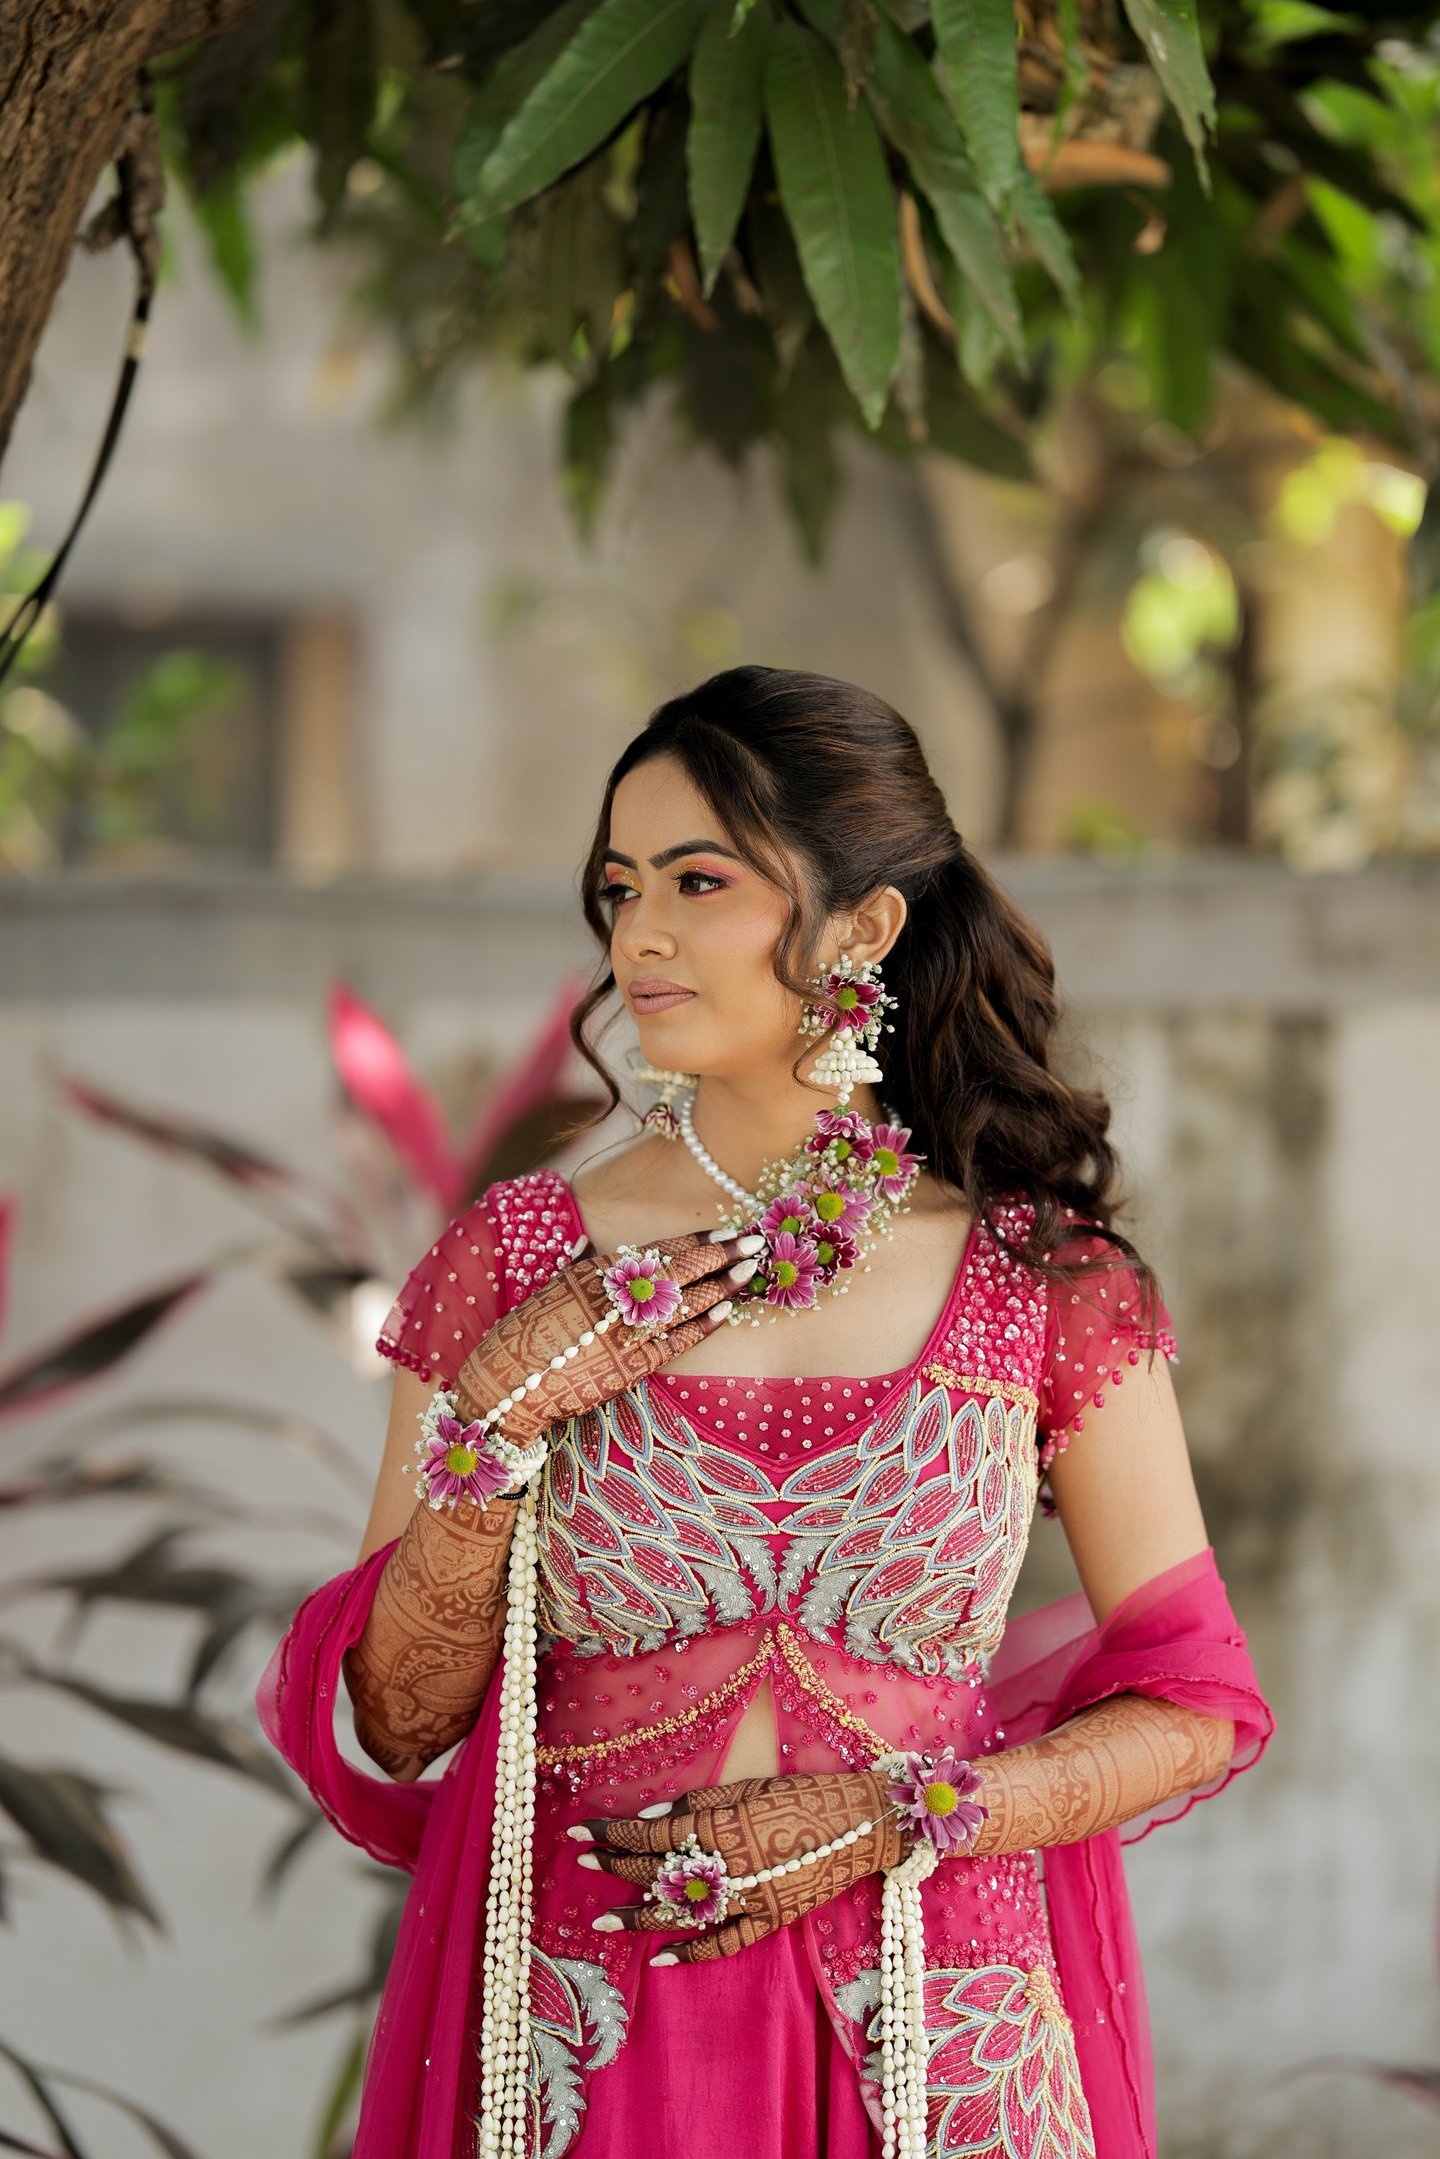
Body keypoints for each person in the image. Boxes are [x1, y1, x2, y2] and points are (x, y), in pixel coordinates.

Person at [257, 666, 1274, 2159]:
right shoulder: (522, 1265)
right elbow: (400, 1723)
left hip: (941, 2031)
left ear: (864, 925)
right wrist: (495, 1428)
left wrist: (901, 1818)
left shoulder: (1038, 1278)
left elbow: (1198, 1709)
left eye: (698, 880)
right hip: (595, 2029)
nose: (640, 935)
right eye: (618, 888)